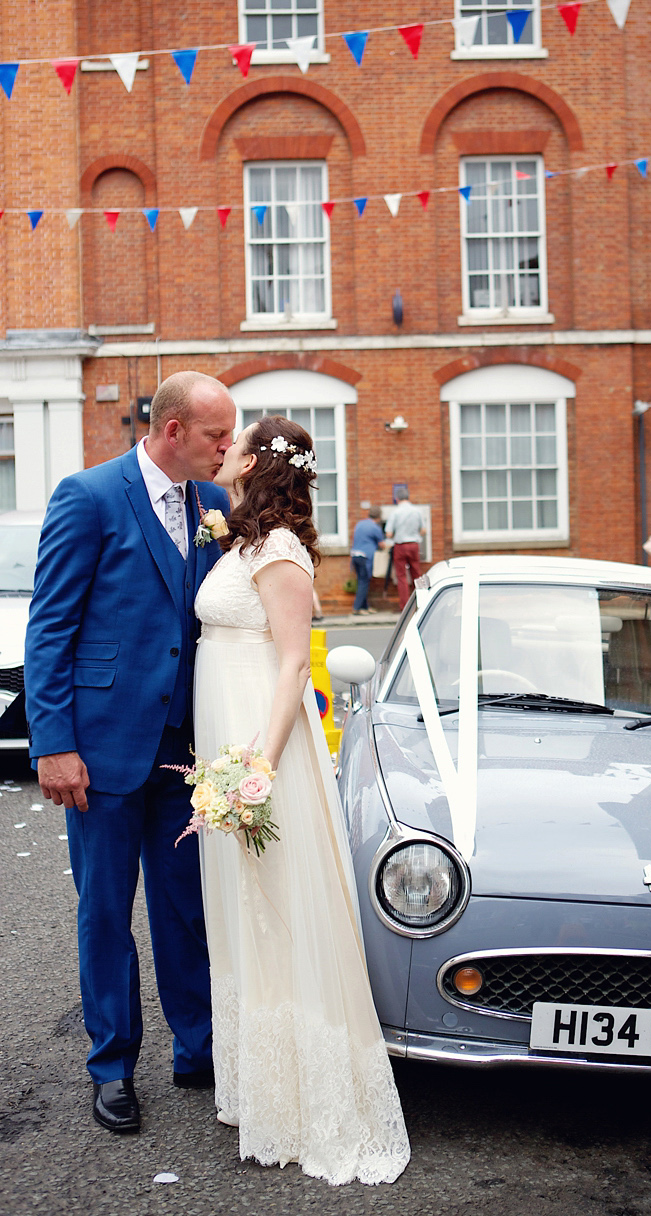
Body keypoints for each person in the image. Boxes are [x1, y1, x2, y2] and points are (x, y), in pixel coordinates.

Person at [193, 416, 409, 1183]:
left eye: (235, 443)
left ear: (258, 461)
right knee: (242, 908)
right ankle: (262, 1087)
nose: (224, 452)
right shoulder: (244, 540)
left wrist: (260, 766)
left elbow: (292, 666)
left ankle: (303, 1097)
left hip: (262, 740)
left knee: (276, 906)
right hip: (229, 730)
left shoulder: (280, 550)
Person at [24, 372, 237, 1134]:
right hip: (102, 748)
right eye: (217, 436)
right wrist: (54, 745)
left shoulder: (214, 505)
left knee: (186, 907)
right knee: (106, 912)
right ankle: (111, 1065)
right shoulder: (87, 496)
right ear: (172, 430)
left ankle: (198, 1047)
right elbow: (49, 628)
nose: (227, 448)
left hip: (187, 749)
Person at [384, 489, 425, 607]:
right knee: (416, 574)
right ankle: (421, 601)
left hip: (400, 546)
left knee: (401, 576)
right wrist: (416, 535)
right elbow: (423, 530)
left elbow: (389, 533)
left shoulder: (395, 513)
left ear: (397, 499)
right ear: (408, 497)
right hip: (413, 544)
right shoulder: (417, 511)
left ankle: (405, 605)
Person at [349, 505, 384, 613]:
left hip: (355, 555)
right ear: (378, 517)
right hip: (365, 557)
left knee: (362, 581)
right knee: (364, 582)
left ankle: (365, 607)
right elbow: (382, 544)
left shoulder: (360, 524)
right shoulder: (375, 527)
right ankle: (357, 608)